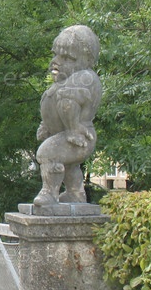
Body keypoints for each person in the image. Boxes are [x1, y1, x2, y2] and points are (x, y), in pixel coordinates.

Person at [33, 25, 102, 207]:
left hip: (80, 136)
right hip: (67, 134)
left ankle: (49, 193)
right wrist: (46, 126)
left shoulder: (85, 78)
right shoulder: (62, 83)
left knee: (48, 153)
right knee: (70, 165)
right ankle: (75, 194)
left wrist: (72, 129)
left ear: (85, 60)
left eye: (66, 58)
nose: (56, 61)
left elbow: (68, 103)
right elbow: (52, 109)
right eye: (56, 55)